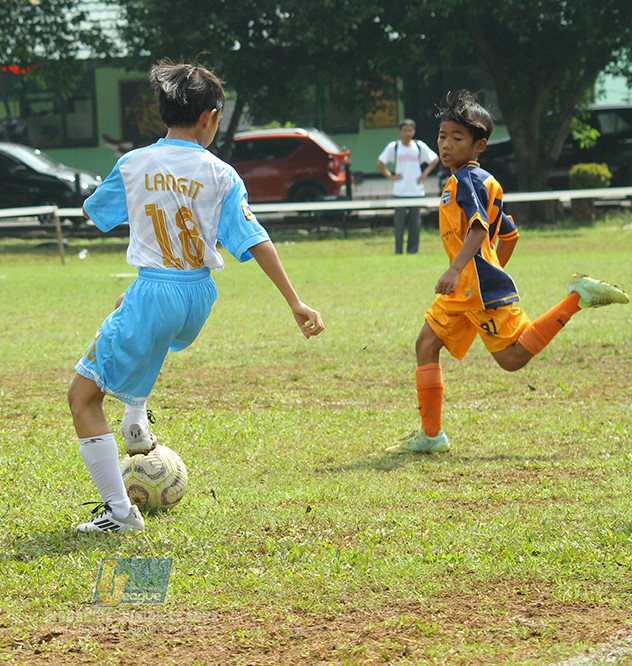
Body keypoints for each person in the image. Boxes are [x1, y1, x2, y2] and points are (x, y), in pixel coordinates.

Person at [69, 60, 325, 533]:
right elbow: (254, 238)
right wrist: (295, 301)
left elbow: (96, 214)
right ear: (209, 117)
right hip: (198, 297)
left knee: (82, 397)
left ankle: (121, 514)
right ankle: (136, 418)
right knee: (133, 321)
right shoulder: (222, 173)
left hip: (155, 291)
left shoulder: (134, 163)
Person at [387, 90, 629, 455]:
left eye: (457, 138)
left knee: (512, 359)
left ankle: (577, 298)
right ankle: (431, 435)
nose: (446, 145)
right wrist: (488, 268)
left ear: (479, 145)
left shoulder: (465, 181)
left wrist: (462, 270)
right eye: (442, 136)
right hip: (467, 289)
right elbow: (510, 234)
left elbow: (480, 228)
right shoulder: (485, 180)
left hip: (474, 287)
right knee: (426, 343)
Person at [375, 119, 440, 254]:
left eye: (410, 130)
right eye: (405, 130)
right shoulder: (394, 147)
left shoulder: (419, 146)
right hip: (400, 190)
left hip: (416, 190)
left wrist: (425, 173)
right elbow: (380, 163)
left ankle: (413, 250)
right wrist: (390, 176)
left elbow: (434, 159)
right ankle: (398, 250)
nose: (407, 133)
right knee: (399, 223)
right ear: (400, 132)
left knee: (415, 223)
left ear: (414, 131)